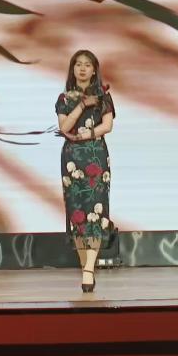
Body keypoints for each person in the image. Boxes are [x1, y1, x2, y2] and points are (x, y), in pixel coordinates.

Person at [56, 50, 115, 293]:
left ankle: (89, 269)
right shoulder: (64, 98)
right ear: (73, 69)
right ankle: (86, 268)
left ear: (94, 70)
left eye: (87, 65)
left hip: (95, 156)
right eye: (78, 64)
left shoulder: (103, 96)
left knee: (96, 211)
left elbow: (107, 126)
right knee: (77, 213)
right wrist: (81, 105)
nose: (82, 69)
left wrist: (85, 135)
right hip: (72, 158)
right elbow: (64, 127)